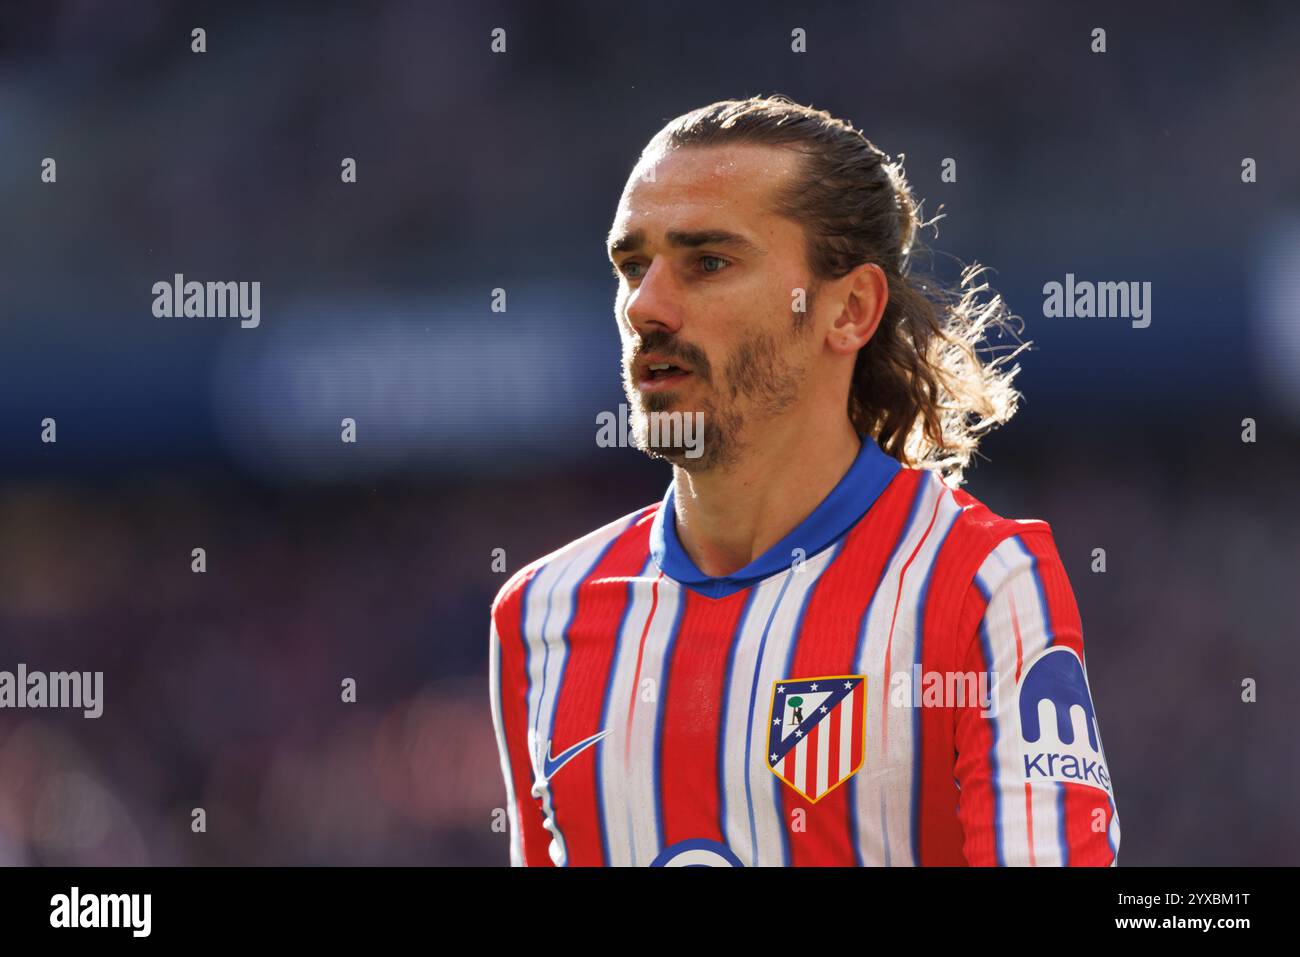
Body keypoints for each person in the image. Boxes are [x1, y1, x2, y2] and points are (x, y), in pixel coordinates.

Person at [489, 95, 1119, 866]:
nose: (646, 305)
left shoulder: (976, 582)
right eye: (632, 266)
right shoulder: (537, 617)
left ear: (849, 309)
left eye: (708, 263)